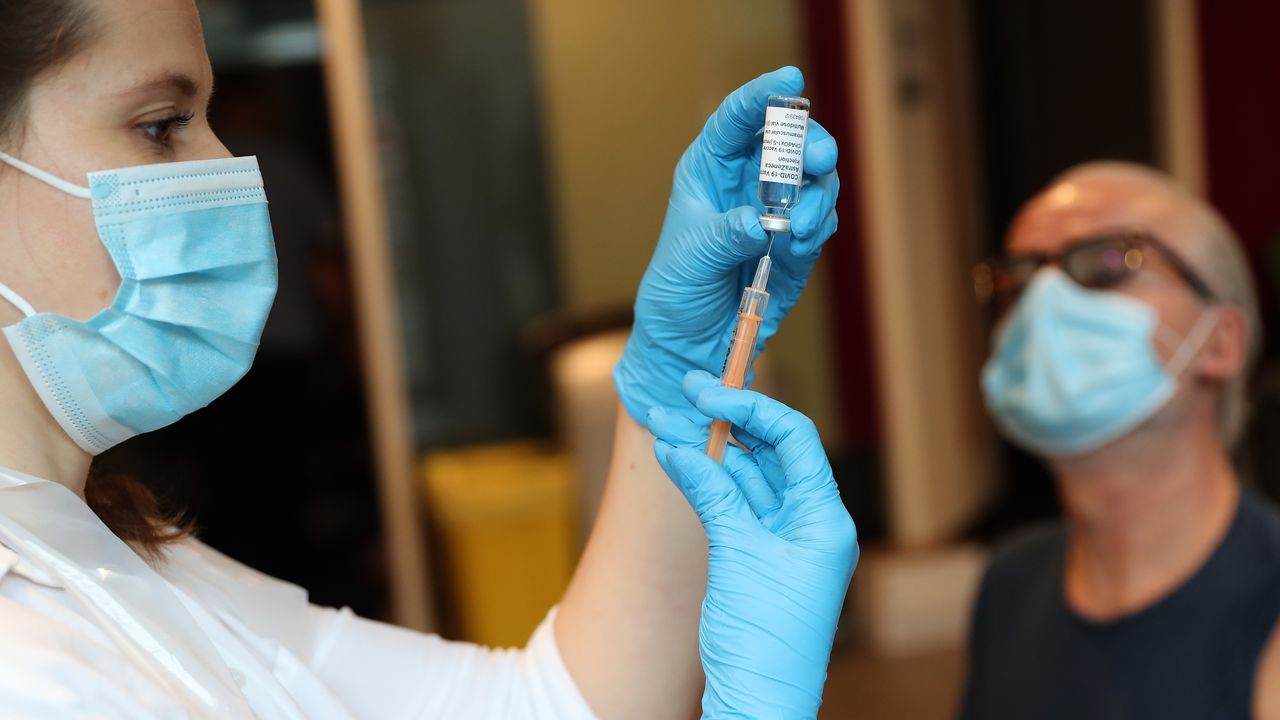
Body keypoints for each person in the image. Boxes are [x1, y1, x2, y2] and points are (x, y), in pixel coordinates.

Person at [0, 1, 857, 718]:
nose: (226, 166)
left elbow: (546, 707)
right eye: (161, 125)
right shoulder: (29, 669)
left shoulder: (114, 554)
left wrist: (681, 368)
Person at [963, 161, 1280, 719]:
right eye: (1020, 278)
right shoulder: (1008, 586)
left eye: (1110, 261)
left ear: (1221, 343)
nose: (1045, 305)